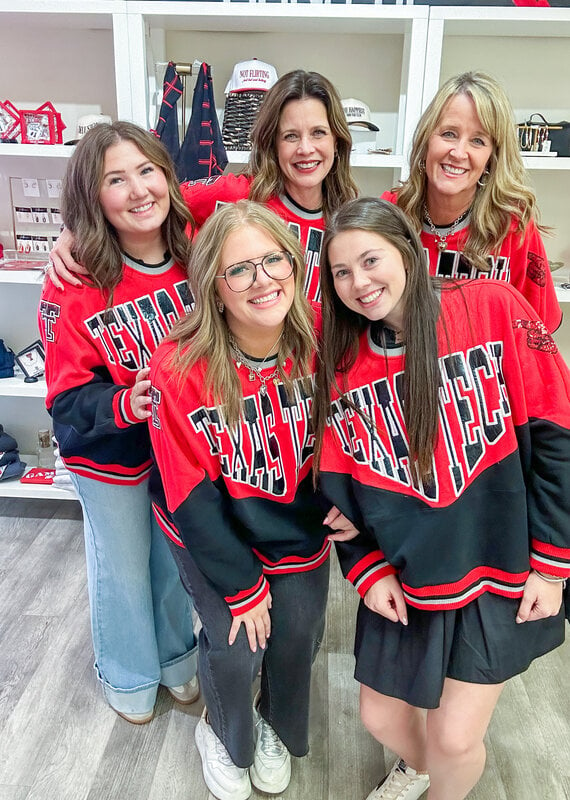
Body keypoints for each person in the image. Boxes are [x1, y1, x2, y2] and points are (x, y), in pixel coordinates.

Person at [313, 197, 570, 800]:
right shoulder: (344, 362)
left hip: (499, 567)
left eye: (370, 259)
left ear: (405, 248)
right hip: (408, 578)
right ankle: (424, 768)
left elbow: (557, 436)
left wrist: (554, 565)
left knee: (456, 739)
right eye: (341, 272)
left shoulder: (491, 306)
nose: (359, 283)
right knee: (381, 717)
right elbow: (338, 498)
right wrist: (367, 569)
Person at [147, 199, 357, 800]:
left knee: (298, 635)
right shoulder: (180, 368)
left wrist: (355, 501)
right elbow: (189, 497)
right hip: (212, 530)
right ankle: (224, 731)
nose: (263, 279)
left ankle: (272, 724)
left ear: (295, 265)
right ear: (214, 288)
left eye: (274, 260)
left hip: (294, 526)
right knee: (237, 645)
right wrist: (241, 587)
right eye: (240, 269)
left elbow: (360, 426)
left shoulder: (323, 340)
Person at [38, 121, 199, 724]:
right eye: (115, 178)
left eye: (146, 170)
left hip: (179, 453)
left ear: (166, 175)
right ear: (92, 198)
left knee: (174, 561)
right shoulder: (78, 281)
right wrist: (123, 405)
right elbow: (65, 400)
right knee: (124, 567)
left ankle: (178, 658)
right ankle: (128, 675)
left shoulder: (195, 252)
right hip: (109, 459)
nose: (137, 190)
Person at [46, 70, 358, 305]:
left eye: (318, 133)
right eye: (290, 136)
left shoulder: (346, 215)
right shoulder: (238, 195)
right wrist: (74, 228)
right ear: (271, 142)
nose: (306, 149)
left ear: (337, 139)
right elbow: (146, 198)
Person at [382, 70, 561, 332]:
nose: (458, 152)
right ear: (426, 140)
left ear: (492, 158)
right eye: (449, 134)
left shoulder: (513, 225)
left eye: (478, 140)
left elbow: (537, 332)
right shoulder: (391, 211)